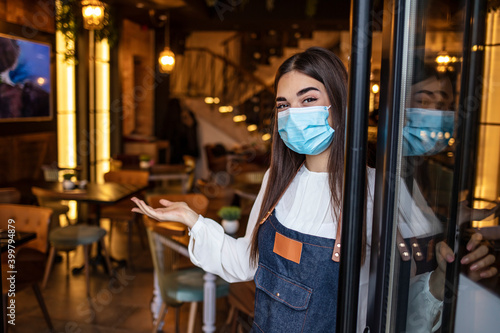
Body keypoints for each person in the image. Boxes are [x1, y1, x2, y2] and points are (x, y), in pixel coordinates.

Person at [131, 47, 496, 332]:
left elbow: (398, 307)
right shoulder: (278, 178)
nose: (293, 114)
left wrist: (442, 279)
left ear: (339, 106)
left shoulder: (375, 189)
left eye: (308, 100)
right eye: (283, 105)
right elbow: (246, 262)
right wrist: (191, 218)